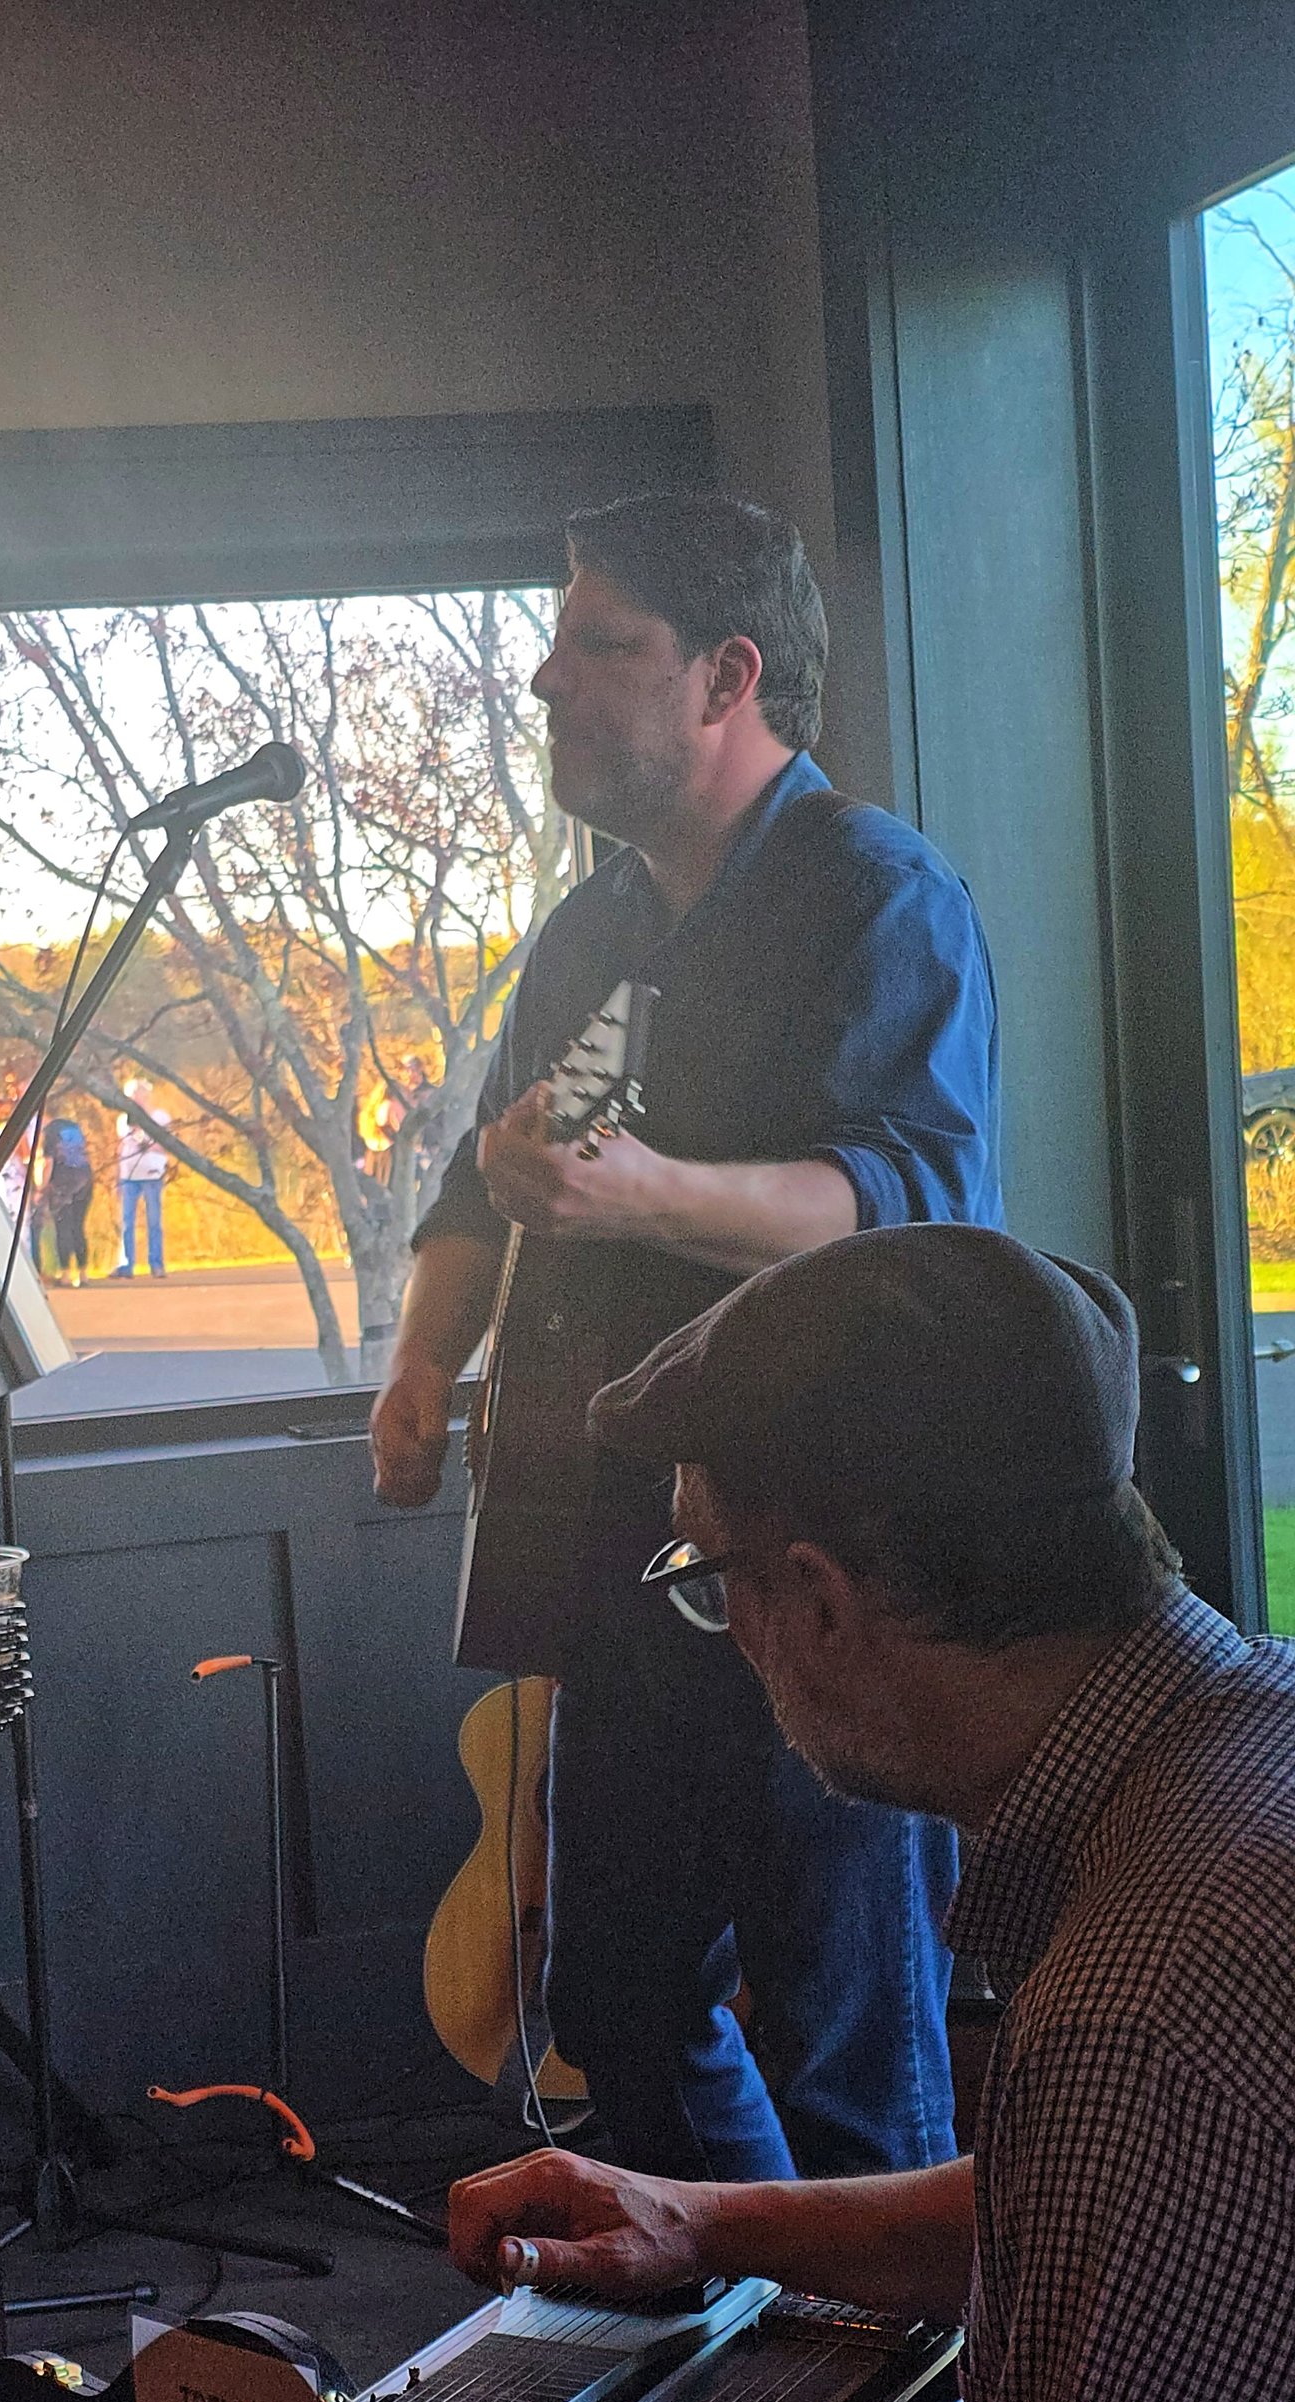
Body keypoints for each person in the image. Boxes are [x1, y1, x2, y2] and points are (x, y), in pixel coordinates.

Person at [142, 1224, 1295, 2402]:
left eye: (709, 1580)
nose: (725, 1633)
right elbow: (1120, 2212)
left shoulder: (1144, 2001)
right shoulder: (1245, 1762)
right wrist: (709, 2220)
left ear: (812, 1597)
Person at [370, 490, 1003, 2183]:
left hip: (824, 1567)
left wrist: (643, 1193)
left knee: (846, 2043)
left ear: (728, 677)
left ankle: (877, 2349)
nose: (545, 678)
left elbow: (903, 1200)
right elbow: (487, 1181)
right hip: (625, 1557)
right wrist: (425, 1357)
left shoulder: (875, 893)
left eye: (600, 644)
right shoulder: (593, 931)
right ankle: (733, 2301)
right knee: (623, 2008)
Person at [113, 1078, 172, 1278]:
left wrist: (146, 1143)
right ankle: (126, 1264)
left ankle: (156, 1263)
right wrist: (117, 1178)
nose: (134, 1099)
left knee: (154, 1221)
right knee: (127, 1222)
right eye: (131, 1096)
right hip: (129, 1175)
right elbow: (120, 1149)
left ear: (145, 1095)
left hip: (152, 1174)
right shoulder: (123, 1120)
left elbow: (168, 1145)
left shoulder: (159, 1117)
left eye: (137, 1095)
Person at [39, 1113, 94, 1285]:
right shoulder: (74, 1128)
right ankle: (83, 1274)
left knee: (62, 1228)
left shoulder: (50, 1132)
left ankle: (66, 1275)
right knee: (78, 1227)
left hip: (62, 1185)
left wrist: (41, 1188)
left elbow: (49, 1163)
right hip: (84, 1180)